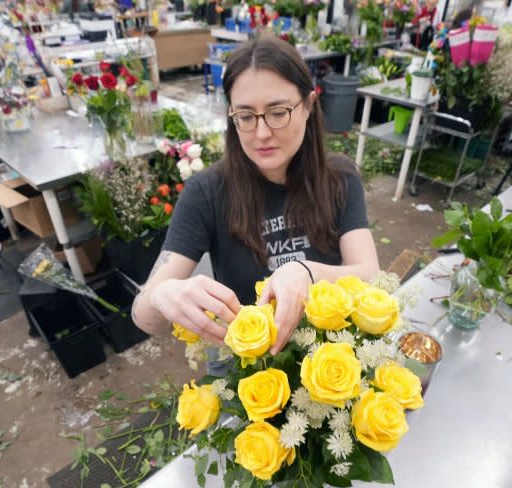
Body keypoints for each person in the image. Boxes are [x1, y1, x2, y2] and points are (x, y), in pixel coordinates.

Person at [131, 35, 379, 357]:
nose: (261, 134)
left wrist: (306, 272)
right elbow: (143, 317)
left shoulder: (339, 178)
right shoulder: (206, 193)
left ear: (308, 106)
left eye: (278, 113)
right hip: (247, 368)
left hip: (328, 355)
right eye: (246, 117)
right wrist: (161, 295)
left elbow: (370, 275)